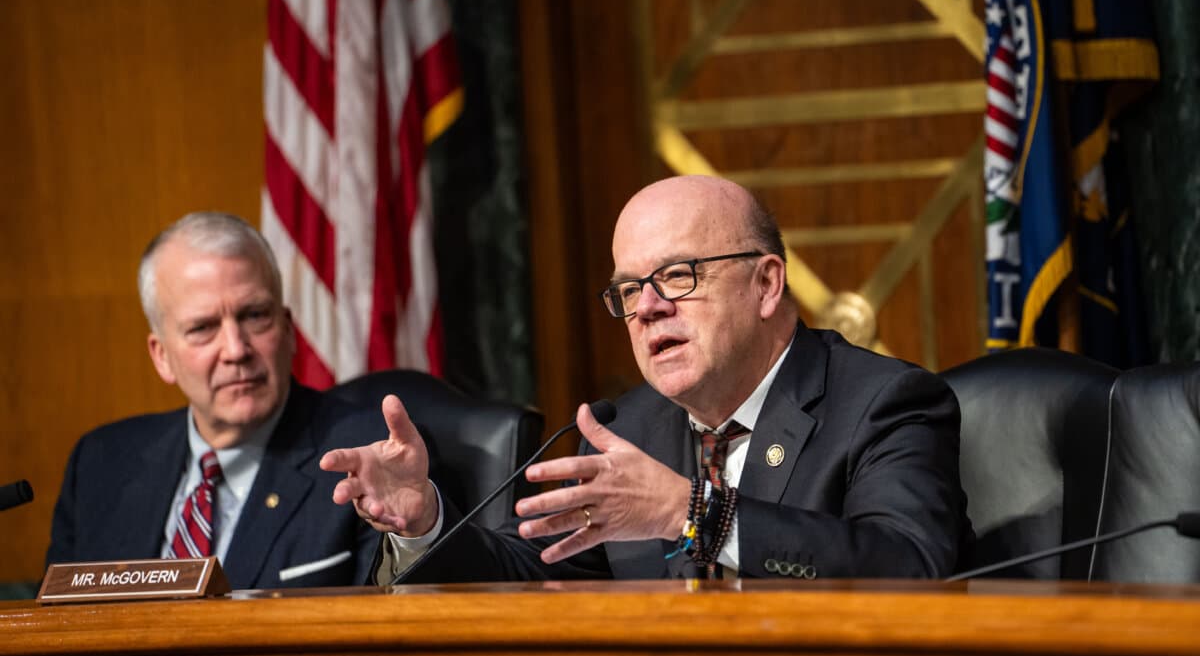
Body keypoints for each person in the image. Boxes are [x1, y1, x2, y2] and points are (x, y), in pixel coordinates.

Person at [324, 175, 972, 582]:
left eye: (679, 276)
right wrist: (426, 522)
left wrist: (692, 514)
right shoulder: (627, 428)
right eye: (630, 288)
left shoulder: (885, 403)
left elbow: (911, 566)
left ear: (767, 284)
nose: (649, 307)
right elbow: (539, 575)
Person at [46, 212, 386, 589]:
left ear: (288, 329)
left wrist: (419, 529)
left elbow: (412, 606)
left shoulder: (364, 453)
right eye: (203, 328)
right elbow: (58, 633)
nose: (236, 350)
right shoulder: (99, 465)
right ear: (161, 356)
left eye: (255, 315)